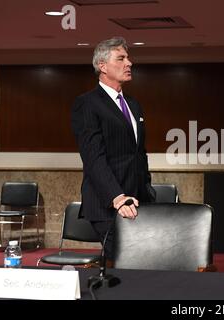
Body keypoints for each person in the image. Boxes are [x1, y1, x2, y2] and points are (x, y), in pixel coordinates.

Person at [71, 36, 156, 265]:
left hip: (139, 201)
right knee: (126, 264)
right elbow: (93, 157)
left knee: (144, 264)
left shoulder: (133, 103)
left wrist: (146, 189)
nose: (129, 63)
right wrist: (117, 197)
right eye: (121, 58)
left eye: (128, 58)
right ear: (102, 66)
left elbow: (138, 152)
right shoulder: (87, 103)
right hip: (108, 204)